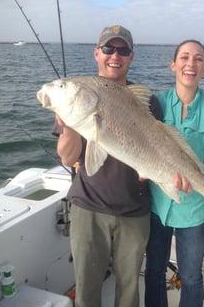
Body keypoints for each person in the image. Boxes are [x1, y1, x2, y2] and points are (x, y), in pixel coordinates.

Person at [56, 25, 182, 307]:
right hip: (88, 208)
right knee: (87, 291)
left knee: (128, 292)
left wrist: (175, 175)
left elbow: (159, 148)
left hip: (134, 212)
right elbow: (67, 158)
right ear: (96, 54)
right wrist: (69, 127)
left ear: (131, 57)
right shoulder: (77, 96)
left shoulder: (146, 101)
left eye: (123, 50)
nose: (115, 55)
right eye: (108, 49)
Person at [144, 39, 204, 307]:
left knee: (191, 276)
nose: (190, 64)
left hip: (195, 210)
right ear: (173, 65)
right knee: (154, 271)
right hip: (157, 204)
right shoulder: (154, 103)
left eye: (198, 59)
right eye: (184, 57)